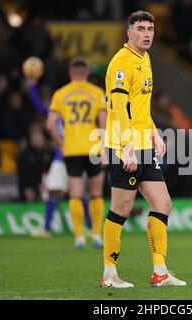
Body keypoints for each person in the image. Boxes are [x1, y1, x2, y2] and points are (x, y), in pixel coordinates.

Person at [101, 10, 186, 288]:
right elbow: (118, 108)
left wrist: (153, 133)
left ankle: (160, 272)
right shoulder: (121, 63)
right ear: (129, 32)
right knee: (120, 211)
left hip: (143, 146)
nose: (147, 33)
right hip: (125, 147)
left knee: (163, 204)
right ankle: (109, 274)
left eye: (150, 28)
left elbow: (139, 107)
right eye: (141, 28)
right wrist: (126, 148)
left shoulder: (145, 58)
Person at [46, 58, 106, 249]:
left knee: (75, 195)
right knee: (96, 194)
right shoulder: (96, 93)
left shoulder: (60, 94)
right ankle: (97, 235)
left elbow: (50, 125)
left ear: (71, 73)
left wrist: (60, 141)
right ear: (86, 73)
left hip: (71, 149)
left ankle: (79, 236)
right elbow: (103, 124)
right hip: (92, 149)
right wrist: (104, 148)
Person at [26, 79, 92, 239]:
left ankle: (91, 228)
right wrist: (33, 86)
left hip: (74, 156)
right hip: (60, 158)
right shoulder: (55, 113)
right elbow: (38, 106)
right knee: (55, 192)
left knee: (80, 194)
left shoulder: (77, 115)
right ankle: (46, 229)